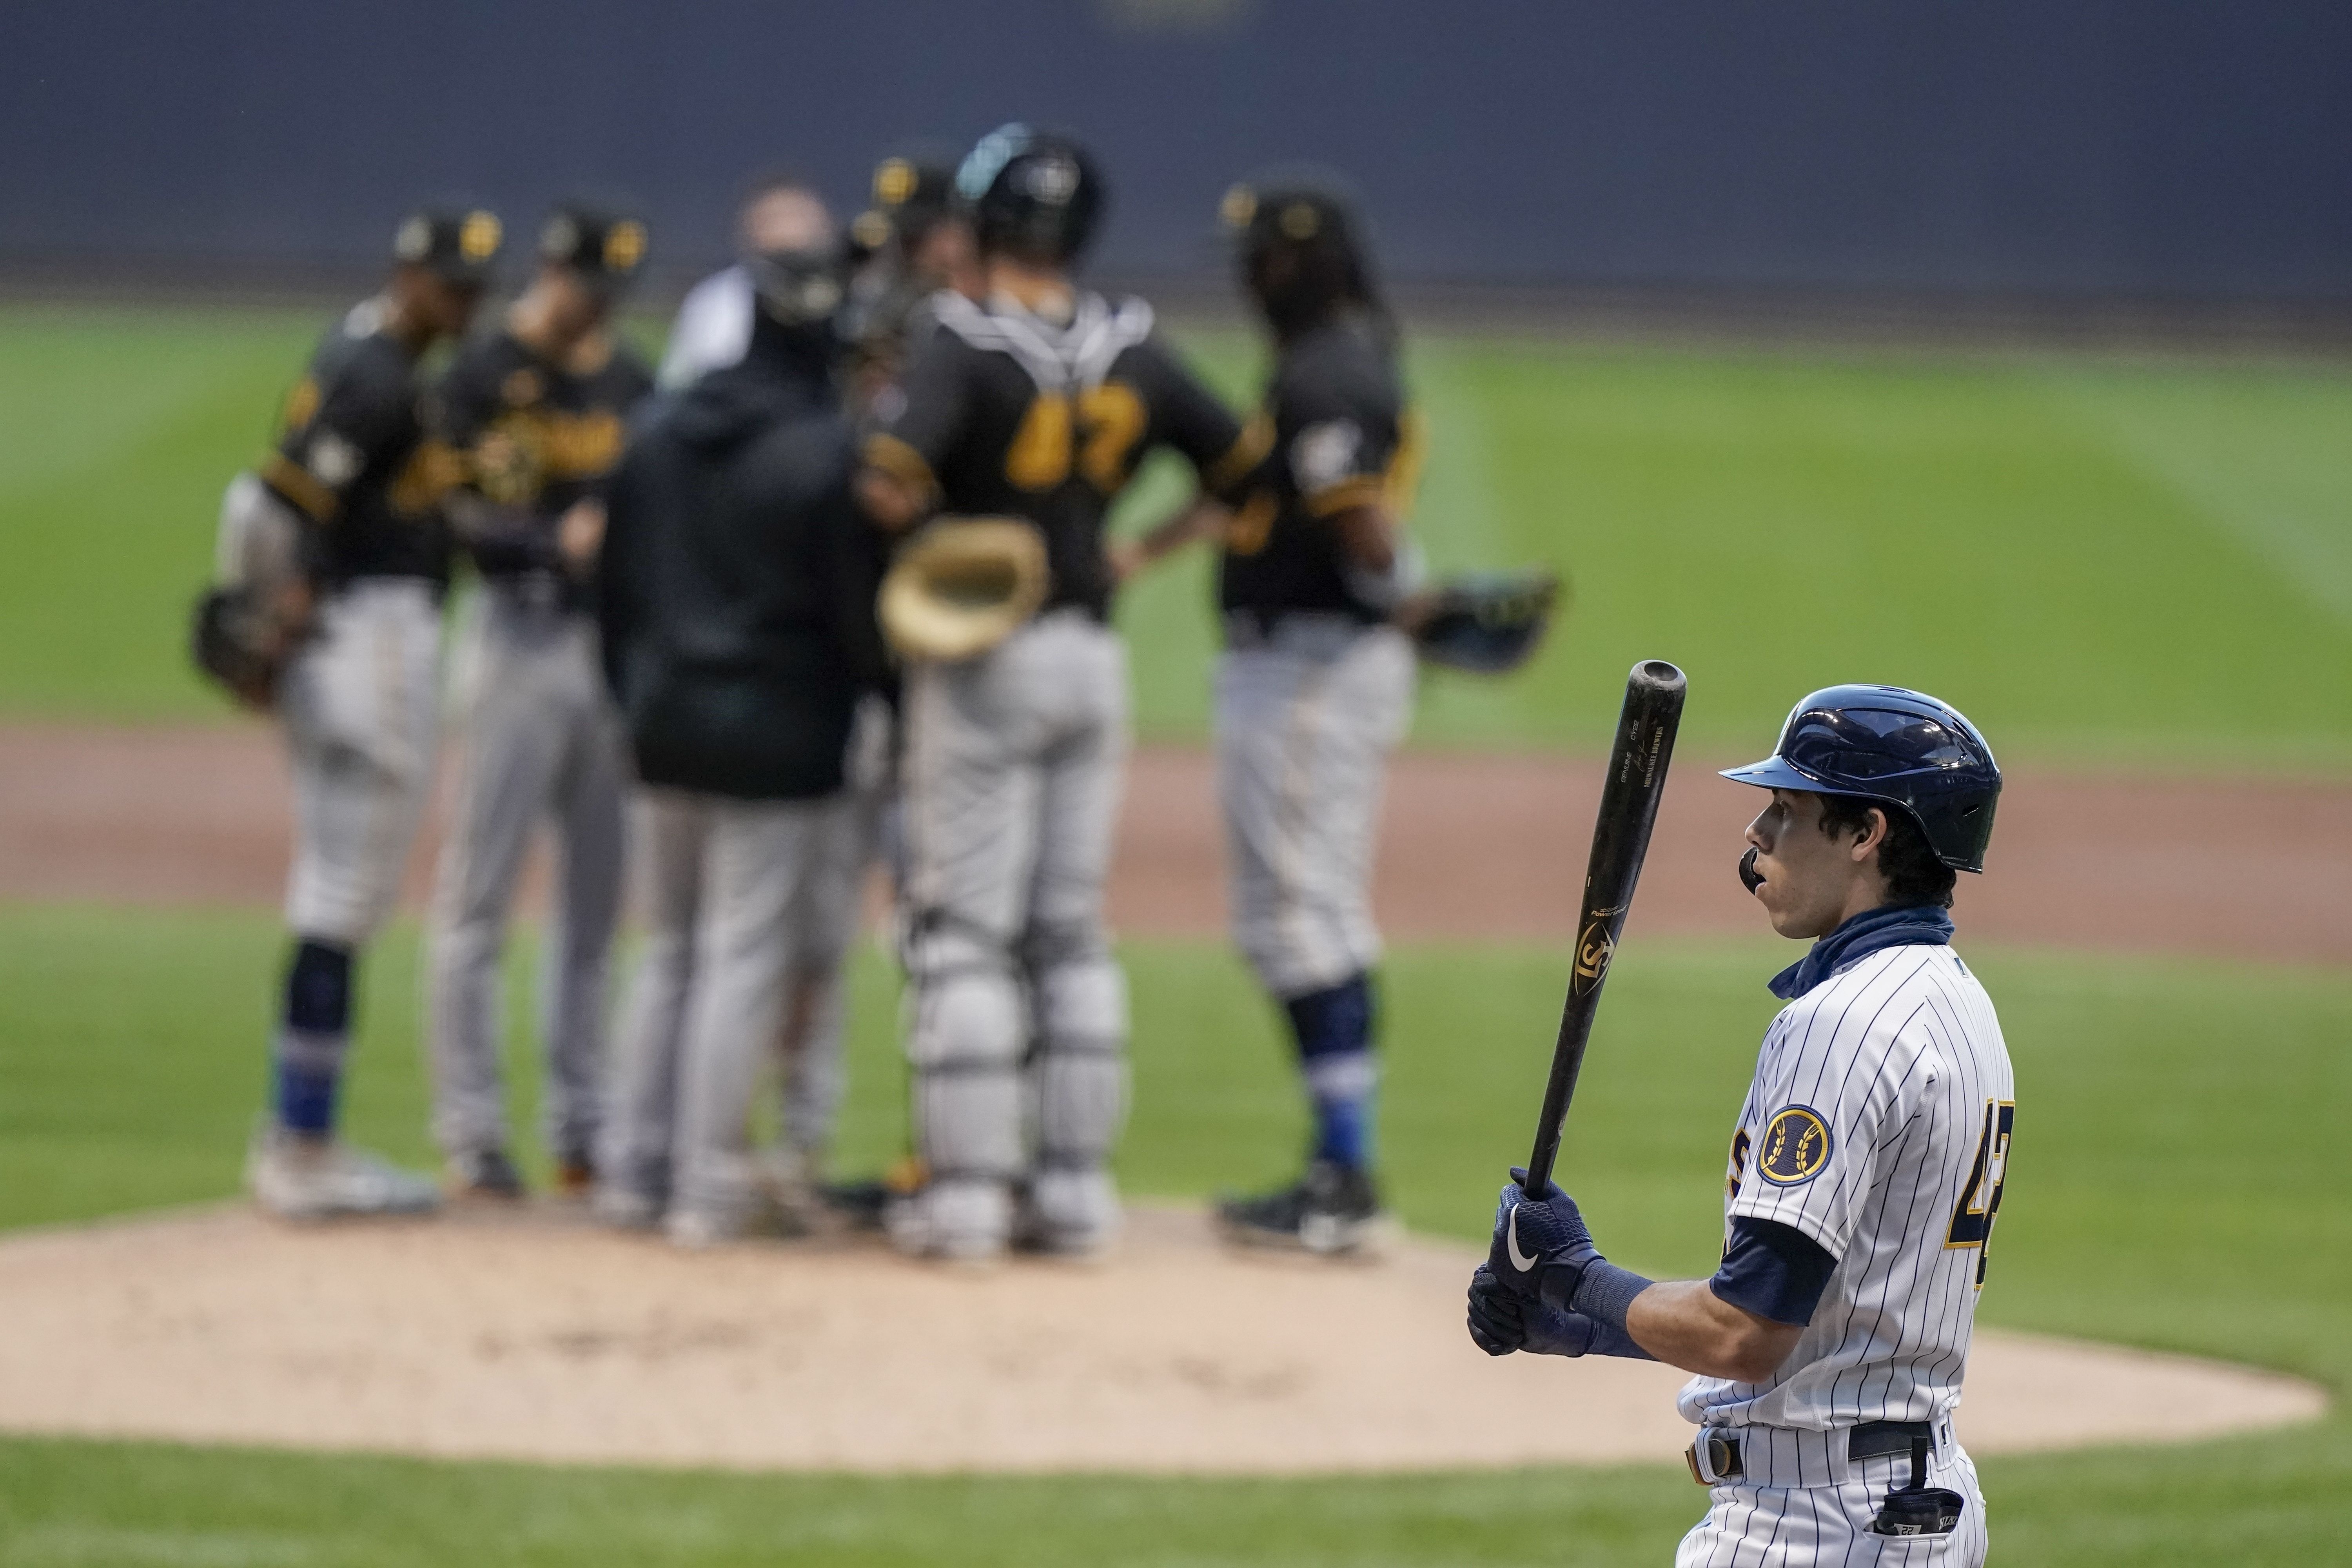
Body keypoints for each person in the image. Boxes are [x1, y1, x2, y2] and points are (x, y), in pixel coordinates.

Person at [1468, 686, 2010, 1566]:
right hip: (1911, 1501)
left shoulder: (1842, 1023)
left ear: (1867, 833)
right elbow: (1830, 1323)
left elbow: (1745, 1334)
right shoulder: (1956, 1002)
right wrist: (1584, 1317)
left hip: (1813, 1528)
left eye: (1787, 809)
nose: (1756, 834)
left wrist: (1578, 1272)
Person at [856, 124, 1262, 1261]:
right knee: (1071, 934)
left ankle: (970, 1199)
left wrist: (946, 539)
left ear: (984, 225)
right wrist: (1140, 549)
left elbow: (887, 486)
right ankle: (1077, 1196)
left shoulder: (959, 336)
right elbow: (1248, 469)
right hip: (1093, 658)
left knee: (963, 936)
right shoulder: (1134, 341)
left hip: (985, 660)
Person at [1117, 173, 1423, 1254]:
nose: (1243, 278)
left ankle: (1345, 1175)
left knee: (1301, 919)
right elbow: (1253, 489)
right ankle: (1341, 1167)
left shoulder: (1329, 369)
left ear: (1290, 263)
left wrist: (1411, 596)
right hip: (1305, 665)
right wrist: (1141, 552)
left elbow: (1364, 527)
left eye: (1254, 259)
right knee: (1298, 914)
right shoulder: (1328, 358)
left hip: (1309, 670)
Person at [594, 182, 890, 1244]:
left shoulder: (661, 428)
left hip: (664, 718)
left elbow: (613, 587)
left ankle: (635, 1173)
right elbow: (858, 617)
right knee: (741, 954)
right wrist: (882, 700)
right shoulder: (826, 452)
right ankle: (711, 1187)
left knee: (666, 949)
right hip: (778, 733)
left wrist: (632, 693)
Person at [239, 207, 499, 1219]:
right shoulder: (376, 374)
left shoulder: (372, 351)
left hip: (361, 634)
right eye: (450, 285)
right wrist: (275, 619)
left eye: (475, 288)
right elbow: (277, 506)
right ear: (408, 274)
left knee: (335, 895)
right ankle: (303, 1145)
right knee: (344, 901)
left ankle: (299, 1135)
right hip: (367, 640)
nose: (463, 305)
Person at [423, 203, 655, 1200]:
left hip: (606, 651)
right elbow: (452, 509)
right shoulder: (480, 376)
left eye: (607, 291)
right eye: (581, 284)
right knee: (477, 898)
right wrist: (544, 542)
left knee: (595, 909)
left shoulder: (631, 378)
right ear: (549, 270)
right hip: (515, 641)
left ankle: (582, 1126)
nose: (590, 305)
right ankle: (473, 1131)